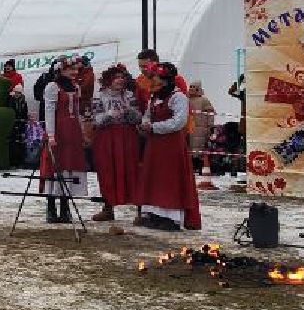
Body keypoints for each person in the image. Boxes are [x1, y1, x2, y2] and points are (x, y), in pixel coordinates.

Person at [134, 61, 202, 232]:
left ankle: (170, 217)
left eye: (155, 77)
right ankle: (154, 213)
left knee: (169, 179)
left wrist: (155, 127)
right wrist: (145, 124)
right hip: (155, 144)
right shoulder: (155, 96)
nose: (152, 80)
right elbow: (147, 115)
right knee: (155, 177)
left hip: (171, 145)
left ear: (164, 79)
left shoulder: (178, 97)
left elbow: (179, 122)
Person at [88, 64, 143, 222]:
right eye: (116, 77)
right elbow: (96, 120)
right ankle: (108, 208)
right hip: (107, 138)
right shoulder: (99, 97)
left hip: (127, 137)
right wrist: (109, 115)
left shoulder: (129, 96)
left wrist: (129, 112)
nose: (120, 80)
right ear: (108, 80)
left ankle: (140, 211)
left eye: (122, 77)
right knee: (107, 171)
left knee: (131, 171)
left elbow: (138, 117)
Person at [38, 57, 88, 223]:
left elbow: (78, 112)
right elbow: (49, 111)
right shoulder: (53, 87)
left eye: (76, 69)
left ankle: (65, 207)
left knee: (69, 166)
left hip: (72, 131)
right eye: (70, 69)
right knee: (55, 166)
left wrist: (82, 132)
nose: (74, 72)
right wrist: (50, 134)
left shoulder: (76, 87)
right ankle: (51, 208)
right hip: (59, 131)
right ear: (61, 70)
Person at [185, 80, 217, 174]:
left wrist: (210, 127)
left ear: (198, 88)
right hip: (188, 127)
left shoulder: (204, 100)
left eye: (193, 87)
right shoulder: (186, 99)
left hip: (200, 128)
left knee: (198, 149)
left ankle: (198, 167)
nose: (191, 89)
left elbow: (210, 114)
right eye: (190, 86)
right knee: (189, 147)